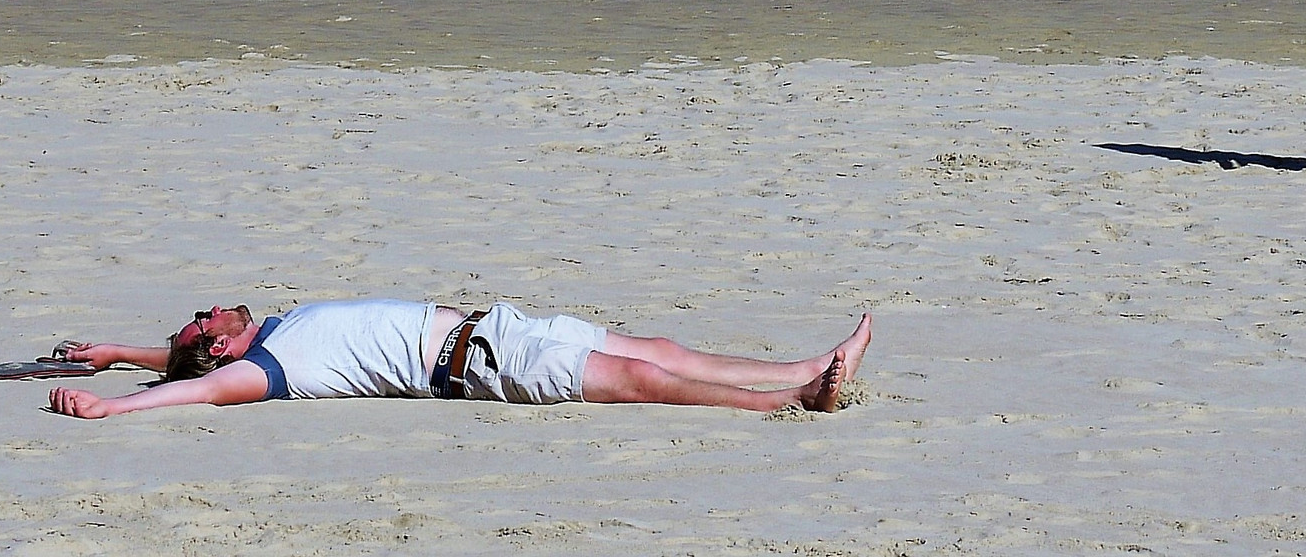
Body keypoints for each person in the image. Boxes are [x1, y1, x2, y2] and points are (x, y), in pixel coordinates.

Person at [42, 298, 870, 419]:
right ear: (219, 344)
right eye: (201, 320)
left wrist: (118, 354)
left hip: (498, 324)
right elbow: (203, 390)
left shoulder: (269, 333)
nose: (205, 309)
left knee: (657, 348)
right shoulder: (267, 368)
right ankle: (795, 400)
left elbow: (180, 361)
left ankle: (801, 367)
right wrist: (118, 406)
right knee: (642, 379)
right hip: (478, 365)